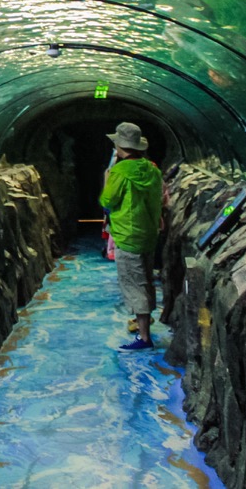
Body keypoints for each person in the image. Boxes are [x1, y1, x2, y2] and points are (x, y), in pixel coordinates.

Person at [99, 121, 164, 351]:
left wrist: (108, 178)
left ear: (120, 146)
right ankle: (142, 322)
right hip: (148, 234)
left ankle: (144, 338)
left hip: (127, 234)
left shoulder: (119, 172)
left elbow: (108, 200)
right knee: (145, 279)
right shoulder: (152, 169)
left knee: (134, 284)